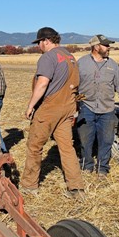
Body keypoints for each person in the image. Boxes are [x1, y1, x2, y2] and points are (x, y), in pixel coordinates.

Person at [22, 27, 85, 198]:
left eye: (39, 43)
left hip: (50, 108)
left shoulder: (48, 57)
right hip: (68, 107)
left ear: (46, 41)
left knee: (34, 146)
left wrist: (30, 106)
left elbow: (42, 83)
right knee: (67, 148)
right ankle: (76, 188)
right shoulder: (69, 56)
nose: (39, 46)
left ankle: (29, 186)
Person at [76, 34, 119, 177]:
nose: (108, 47)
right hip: (86, 106)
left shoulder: (112, 64)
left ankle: (102, 168)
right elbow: (74, 85)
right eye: (105, 45)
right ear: (96, 47)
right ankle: (87, 165)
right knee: (85, 139)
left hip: (107, 108)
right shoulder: (81, 63)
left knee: (106, 140)